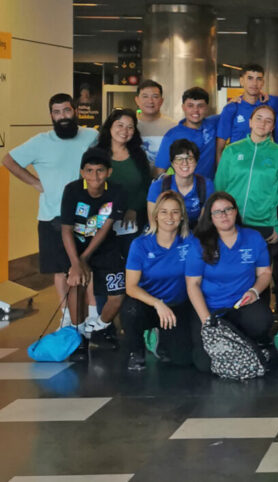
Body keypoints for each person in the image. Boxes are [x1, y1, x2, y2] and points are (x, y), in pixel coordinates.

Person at [3, 93, 98, 326]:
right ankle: (67, 317)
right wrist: (35, 183)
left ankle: (93, 318)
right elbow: (8, 160)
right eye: (57, 112)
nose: (62, 116)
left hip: (87, 215)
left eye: (66, 110)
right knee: (61, 271)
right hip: (51, 216)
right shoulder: (40, 141)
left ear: (75, 110)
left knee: (90, 268)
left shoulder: (93, 136)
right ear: (51, 116)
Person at [214, 105, 278, 313]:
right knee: (232, 274)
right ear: (249, 122)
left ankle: (260, 326)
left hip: (263, 226)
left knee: (261, 277)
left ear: (273, 126)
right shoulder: (232, 150)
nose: (263, 123)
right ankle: (228, 318)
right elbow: (219, 189)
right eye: (259, 118)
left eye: (268, 120)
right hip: (231, 225)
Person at [185, 192, 274, 374]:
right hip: (210, 309)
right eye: (217, 212)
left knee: (262, 320)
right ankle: (243, 344)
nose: (223, 215)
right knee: (203, 364)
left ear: (235, 212)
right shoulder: (199, 243)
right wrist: (207, 322)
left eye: (227, 209)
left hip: (241, 306)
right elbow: (192, 285)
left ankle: (248, 343)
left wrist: (255, 291)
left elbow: (265, 272)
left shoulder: (253, 237)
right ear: (210, 217)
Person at [60, 147, 125, 360]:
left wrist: (84, 259)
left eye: (100, 170)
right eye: (89, 170)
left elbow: (105, 229)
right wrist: (76, 263)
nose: (95, 176)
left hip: (105, 248)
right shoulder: (72, 190)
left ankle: (98, 330)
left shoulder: (116, 191)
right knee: (75, 283)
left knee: (117, 295)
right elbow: (66, 229)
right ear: (82, 172)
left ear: (109, 172)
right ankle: (79, 337)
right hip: (74, 247)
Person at [123, 191, 195, 370]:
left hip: (178, 306)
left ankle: (161, 340)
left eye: (175, 212)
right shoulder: (140, 245)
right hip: (149, 305)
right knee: (131, 310)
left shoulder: (191, 242)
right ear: (155, 216)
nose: (169, 217)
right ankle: (136, 351)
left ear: (182, 216)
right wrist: (158, 304)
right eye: (163, 212)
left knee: (182, 359)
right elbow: (131, 287)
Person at [97, 108, 154, 251]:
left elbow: (147, 185)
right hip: (101, 221)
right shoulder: (96, 154)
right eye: (120, 125)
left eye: (130, 127)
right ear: (110, 126)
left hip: (133, 221)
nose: (125, 130)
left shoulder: (138, 155)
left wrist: (133, 208)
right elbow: (86, 186)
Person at [216, 64, 278, 162]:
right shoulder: (231, 108)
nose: (254, 83)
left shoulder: (271, 102)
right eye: (250, 78)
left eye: (259, 79)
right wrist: (221, 174)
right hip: (238, 164)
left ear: (263, 82)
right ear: (242, 80)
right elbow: (220, 149)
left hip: (263, 164)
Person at [147, 139, 213, 229]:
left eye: (189, 159)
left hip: (195, 234)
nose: (184, 163)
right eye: (179, 159)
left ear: (196, 162)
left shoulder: (206, 185)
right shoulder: (158, 186)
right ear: (172, 163)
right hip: (165, 233)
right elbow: (154, 225)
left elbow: (203, 224)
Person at [155, 87, 218, 180]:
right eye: (190, 105)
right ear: (183, 107)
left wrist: (235, 101)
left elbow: (231, 112)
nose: (195, 110)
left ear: (206, 108)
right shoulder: (172, 136)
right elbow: (160, 172)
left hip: (209, 189)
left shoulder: (213, 123)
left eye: (200, 106)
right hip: (183, 190)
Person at [134, 79, 177, 163]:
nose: (150, 101)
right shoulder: (130, 127)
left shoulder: (174, 127)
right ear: (137, 100)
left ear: (161, 101)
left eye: (155, 96)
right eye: (145, 96)